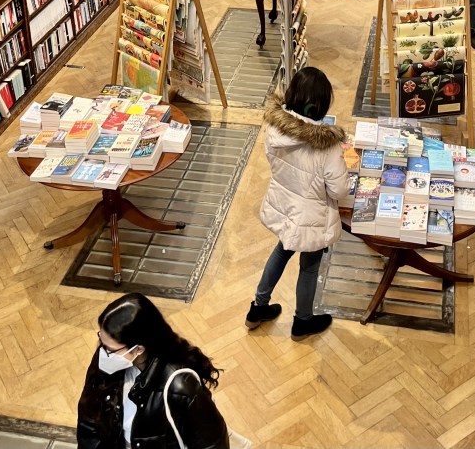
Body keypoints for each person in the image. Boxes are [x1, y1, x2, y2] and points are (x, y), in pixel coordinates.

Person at [245, 67, 349, 340]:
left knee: (281, 250)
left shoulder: (275, 129)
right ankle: (302, 321)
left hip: (285, 206)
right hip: (311, 218)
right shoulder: (327, 146)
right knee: (310, 266)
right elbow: (338, 190)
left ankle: (258, 307)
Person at [77, 292, 229, 449]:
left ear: (138, 349)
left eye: (110, 348)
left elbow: (212, 443)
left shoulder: (180, 388)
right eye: (101, 340)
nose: (102, 352)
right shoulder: (108, 358)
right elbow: (89, 421)